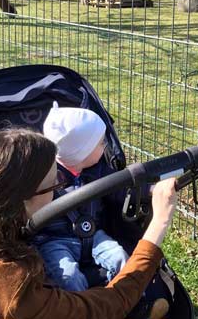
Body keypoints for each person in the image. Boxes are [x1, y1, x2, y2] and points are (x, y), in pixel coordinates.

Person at [0, 128, 177, 318]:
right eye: (56, 184)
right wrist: (158, 225)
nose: (59, 191)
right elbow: (101, 309)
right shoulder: (12, 288)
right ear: (25, 199)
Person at [36, 104, 130, 292]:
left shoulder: (100, 170)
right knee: (67, 276)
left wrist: (149, 189)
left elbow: (120, 188)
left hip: (93, 234)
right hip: (54, 239)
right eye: (101, 143)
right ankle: (80, 309)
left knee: (120, 257)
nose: (105, 146)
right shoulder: (45, 176)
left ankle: (132, 302)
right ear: (81, 152)